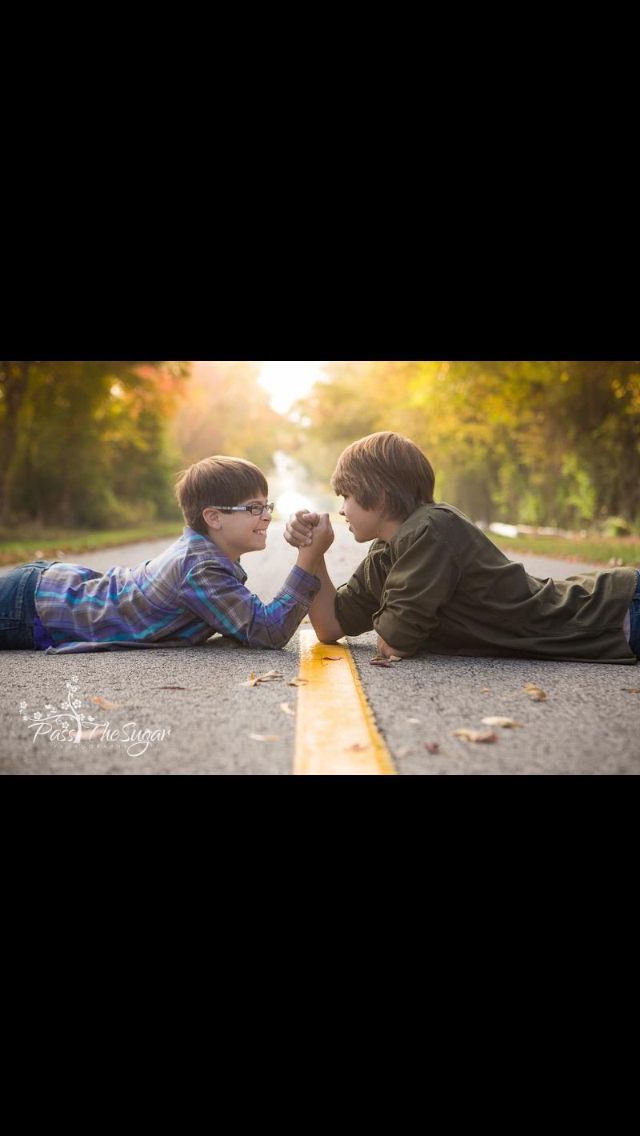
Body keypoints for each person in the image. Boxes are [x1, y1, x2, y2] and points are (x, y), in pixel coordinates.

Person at [284, 432, 640, 665]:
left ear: (377, 496)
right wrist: (312, 555)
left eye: (346, 495)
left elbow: (396, 640)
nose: (342, 508)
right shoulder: (387, 551)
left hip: (615, 613)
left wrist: (396, 621)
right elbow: (330, 626)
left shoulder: (430, 529)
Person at [0, 456, 333, 654]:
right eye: (253, 508)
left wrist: (306, 547)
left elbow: (245, 619)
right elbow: (267, 631)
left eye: (266, 506)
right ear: (213, 517)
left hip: (45, 590)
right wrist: (308, 558)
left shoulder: (207, 556)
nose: (265, 516)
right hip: (32, 607)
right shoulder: (201, 566)